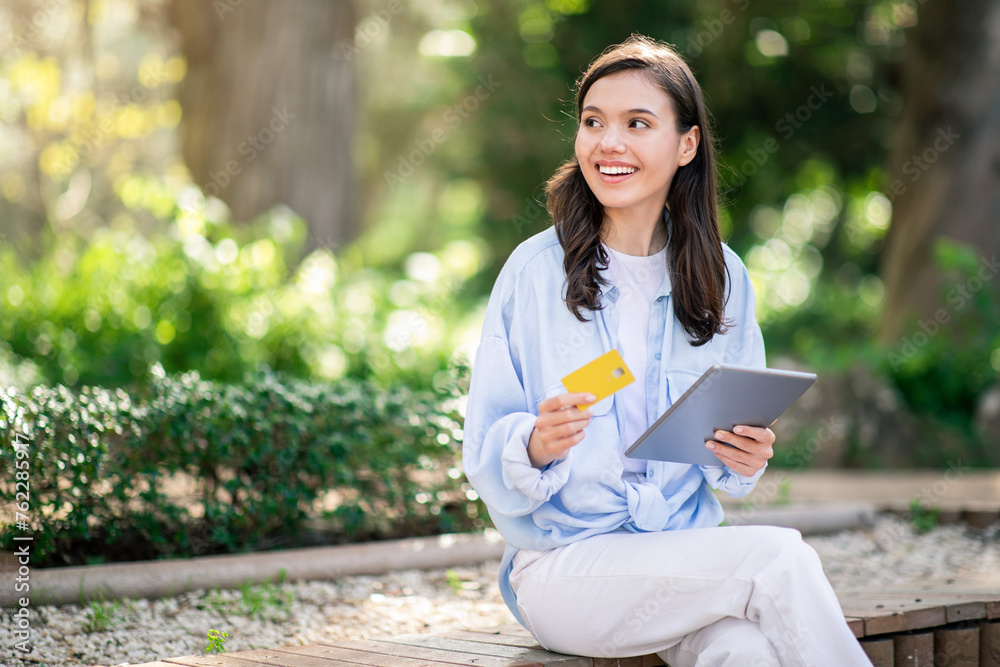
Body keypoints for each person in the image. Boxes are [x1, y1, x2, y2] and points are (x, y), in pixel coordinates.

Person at [462, 35, 871, 667]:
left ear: (686, 145)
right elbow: (484, 450)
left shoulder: (722, 276)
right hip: (565, 567)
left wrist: (745, 452)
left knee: (747, 652)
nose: (609, 143)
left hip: (680, 553)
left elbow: (731, 460)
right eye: (594, 122)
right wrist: (535, 445)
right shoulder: (533, 272)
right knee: (778, 557)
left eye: (637, 124)